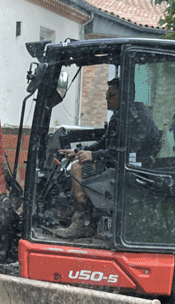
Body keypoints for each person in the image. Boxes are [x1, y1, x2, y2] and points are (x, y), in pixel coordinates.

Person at [54, 77, 159, 239]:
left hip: (134, 171)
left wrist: (93, 156)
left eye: (111, 96)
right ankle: (75, 212)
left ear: (125, 96)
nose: (107, 100)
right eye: (106, 96)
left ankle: (84, 223)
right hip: (119, 165)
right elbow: (105, 142)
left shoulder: (136, 117)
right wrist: (80, 151)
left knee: (77, 168)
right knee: (77, 162)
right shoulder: (120, 115)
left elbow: (126, 153)